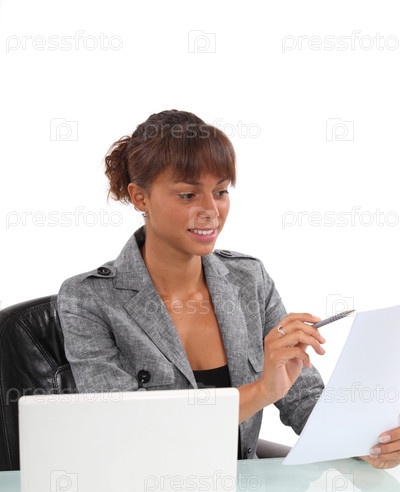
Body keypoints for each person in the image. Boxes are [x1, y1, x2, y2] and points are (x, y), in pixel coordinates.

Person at [58, 109, 399, 467]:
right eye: (188, 195)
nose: (211, 210)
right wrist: (261, 390)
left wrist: (366, 443)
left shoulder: (248, 279)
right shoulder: (88, 299)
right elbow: (132, 432)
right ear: (140, 198)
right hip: (145, 490)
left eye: (220, 191)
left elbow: (302, 398)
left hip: (244, 490)